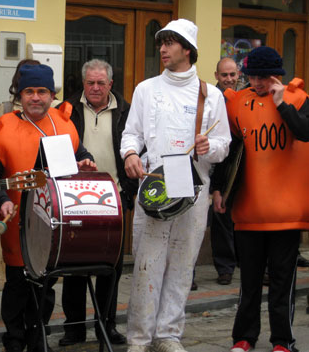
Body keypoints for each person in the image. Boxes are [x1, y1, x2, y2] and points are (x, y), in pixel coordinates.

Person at [120, 19, 231, 352]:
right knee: (146, 265)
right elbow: (132, 134)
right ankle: (139, 338)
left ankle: (168, 334)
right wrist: (129, 155)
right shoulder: (146, 88)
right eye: (161, 43)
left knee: (183, 266)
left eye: (169, 43)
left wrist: (207, 147)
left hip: (194, 188)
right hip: (154, 185)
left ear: (187, 49)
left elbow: (224, 143)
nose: (163, 49)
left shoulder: (210, 95)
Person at [0, 63, 96, 352]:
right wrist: (3, 199)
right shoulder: (2, 128)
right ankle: (14, 340)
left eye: (42, 91)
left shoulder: (65, 123)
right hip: (16, 220)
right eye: (29, 91)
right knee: (17, 285)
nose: (36, 97)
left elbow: (81, 154)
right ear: (19, 95)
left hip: (53, 221)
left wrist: (85, 161)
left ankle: (38, 339)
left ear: (52, 94)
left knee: (45, 287)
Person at [223, 46, 309, 352]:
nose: (256, 83)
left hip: (286, 210)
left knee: (283, 283)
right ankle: (243, 337)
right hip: (248, 208)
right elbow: (230, 151)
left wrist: (281, 103)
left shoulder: (299, 98)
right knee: (249, 281)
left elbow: (305, 132)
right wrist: (221, 191)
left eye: (262, 77)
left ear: (277, 75)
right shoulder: (238, 102)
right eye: (252, 77)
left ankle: (282, 340)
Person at [57, 59, 137, 346]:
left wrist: (127, 193)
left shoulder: (126, 111)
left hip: (114, 200)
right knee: (74, 267)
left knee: (110, 269)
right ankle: (73, 328)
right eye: (90, 82)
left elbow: (137, 148)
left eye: (100, 83)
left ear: (110, 84)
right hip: (75, 199)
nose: (95, 87)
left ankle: (107, 325)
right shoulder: (65, 111)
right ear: (83, 83)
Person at [209, 57, 241, 285]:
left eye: (232, 75)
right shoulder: (211, 99)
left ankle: (240, 261)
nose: (229, 79)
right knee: (221, 217)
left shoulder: (244, 97)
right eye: (224, 75)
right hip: (217, 165)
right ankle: (225, 268)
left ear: (238, 75)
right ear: (216, 76)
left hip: (240, 165)